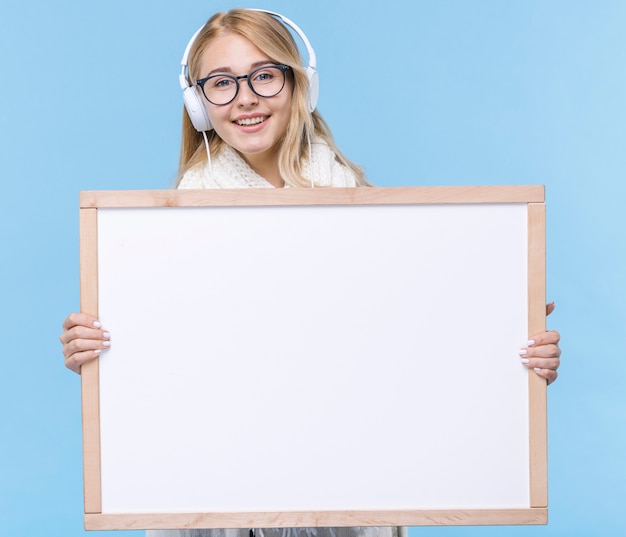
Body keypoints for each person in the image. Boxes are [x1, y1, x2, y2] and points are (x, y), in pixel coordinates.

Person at [59, 8, 562, 537]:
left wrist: (508, 344)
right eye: (221, 83)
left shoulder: (376, 220)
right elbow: (176, 366)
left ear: (299, 85)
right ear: (199, 103)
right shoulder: (162, 242)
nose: (246, 97)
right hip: (214, 495)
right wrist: (103, 360)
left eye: (264, 75)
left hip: (349, 489)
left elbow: (412, 345)